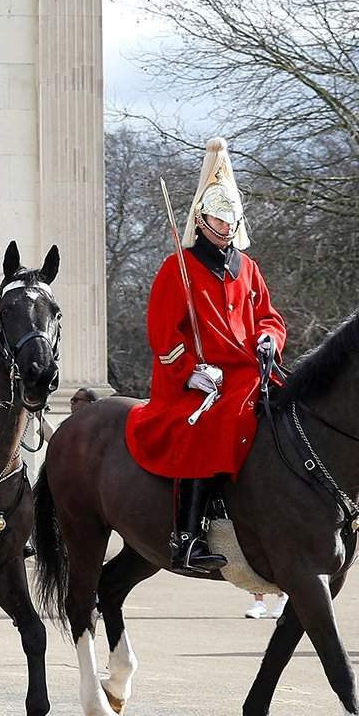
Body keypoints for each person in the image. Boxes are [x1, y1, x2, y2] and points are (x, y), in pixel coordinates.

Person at [126, 137, 287, 573]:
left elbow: (268, 317)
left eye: (233, 215)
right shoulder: (177, 266)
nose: (228, 222)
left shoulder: (247, 268)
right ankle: (188, 536)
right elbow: (163, 332)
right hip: (203, 378)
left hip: (250, 369)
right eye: (220, 214)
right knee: (211, 426)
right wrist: (188, 372)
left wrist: (270, 339)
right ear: (202, 217)